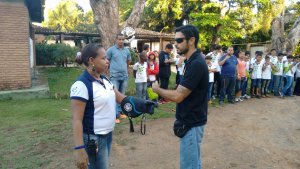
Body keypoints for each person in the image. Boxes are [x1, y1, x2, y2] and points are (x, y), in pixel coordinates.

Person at [71, 44, 156, 169]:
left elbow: (122, 98)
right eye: (104, 58)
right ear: (91, 61)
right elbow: (77, 120)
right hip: (93, 139)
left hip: (107, 134)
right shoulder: (81, 85)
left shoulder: (105, 80)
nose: (107, 61)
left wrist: (144, 104)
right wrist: (79, 149)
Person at [153, 25, 208, 169]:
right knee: (193, 163)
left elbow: (178, 96)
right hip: (191, 120)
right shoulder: (190, 61)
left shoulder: (196, 63)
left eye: (179, 40)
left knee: (189, 165)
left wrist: (157, 89)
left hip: (192, 122)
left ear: (191, 40)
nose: (175, 44)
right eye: (175, 40)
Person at [106, 33, 132, 123]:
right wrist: (108, 70)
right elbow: (107, 61)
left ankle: (120, 112)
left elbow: (128, 60)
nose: (121, 41)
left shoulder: (127, 51)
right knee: (114, 96)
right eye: (119, 39)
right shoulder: (111, 50)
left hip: (124, 76)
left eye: (122, 39)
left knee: (122, 95)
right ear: (116, 40)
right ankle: (114, 115)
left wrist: (126, 68)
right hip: (114, 76)